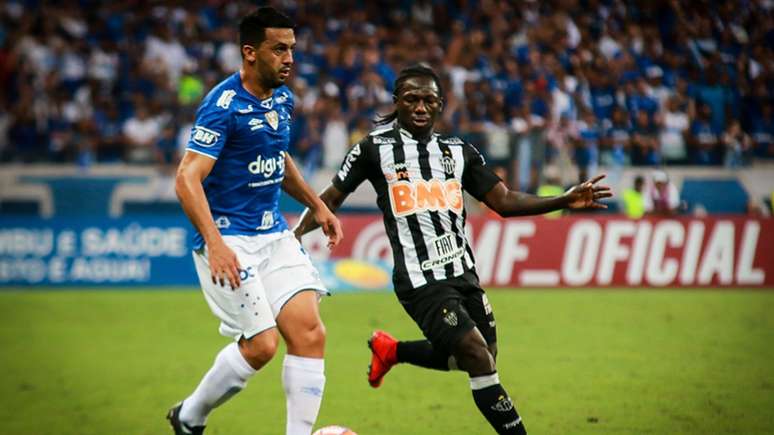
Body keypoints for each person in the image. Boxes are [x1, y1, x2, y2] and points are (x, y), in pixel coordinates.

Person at [293, 64, 612, 434]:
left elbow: (504, 201)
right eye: (411, 99)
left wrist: (565, 199)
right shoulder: (373, 149)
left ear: (440, 105)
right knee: (477, 357)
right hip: (419, 280)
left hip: (463, 273)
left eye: (429, 100)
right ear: (396, 102)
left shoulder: (458, 151)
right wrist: (295, 235)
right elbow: (330, 197)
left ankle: (392, 351)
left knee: (482, 357)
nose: (420, 107)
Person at [168, 8, 343, 435]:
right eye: (279, 49)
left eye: (292, 50)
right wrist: (216, 243)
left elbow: (276, 157)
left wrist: (317, 205)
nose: (289, 59)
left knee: (310, 332)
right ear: (250, 52)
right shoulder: (222, 106)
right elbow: (186, 178)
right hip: (229, 238)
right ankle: (189, 416)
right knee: (263, 346)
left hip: (273, 233)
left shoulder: (282, 98)